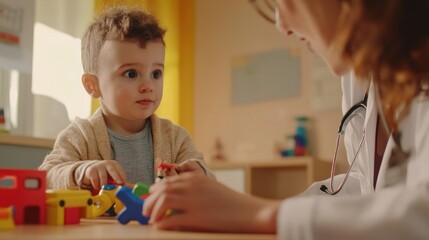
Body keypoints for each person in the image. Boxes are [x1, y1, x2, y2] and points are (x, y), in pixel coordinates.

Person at [142, 0, 429, 239]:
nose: (281, 23)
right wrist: (231, 205)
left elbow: (420, 213)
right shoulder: (358, 79)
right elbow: (369, 186)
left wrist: (261, 214)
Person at [39, 7, 215, 191]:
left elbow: (210, 184)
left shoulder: (175, 138)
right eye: (131, 74)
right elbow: (46, 176)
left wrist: (199, 175)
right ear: (93, 85)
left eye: (156, 74)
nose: (148, 85)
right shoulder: (80, 136)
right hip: (98, 221)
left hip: (159, 221)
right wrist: (80, 171)